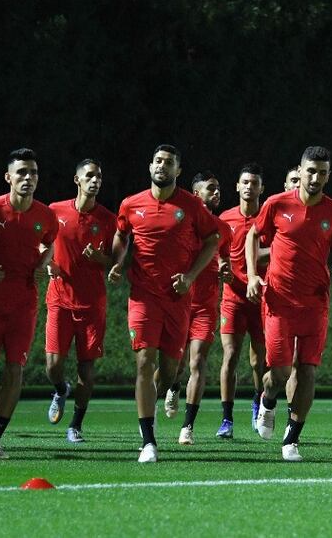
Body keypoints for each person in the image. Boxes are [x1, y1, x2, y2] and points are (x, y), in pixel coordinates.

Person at [108, 144, 221, 463]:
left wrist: (190, 276)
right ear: (150, 167)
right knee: (144, 361)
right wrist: (118, 262)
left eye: (168, 162)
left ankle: (161, 395)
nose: (162, 166)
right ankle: (148, 441)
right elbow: (121, 235)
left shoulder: (191, 205)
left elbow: (212, 241)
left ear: (178, 171)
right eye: (157, 161)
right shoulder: (131, 204)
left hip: (177, 300)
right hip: (142, 297)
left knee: (170, 371)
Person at [246, 146, 332, 462]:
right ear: (300, 170)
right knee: (278, 373)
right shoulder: (277, 204)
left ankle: (292, 439)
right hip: (279, 301)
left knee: (307, 371)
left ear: (328, 176)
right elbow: (253, 236)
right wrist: (252, 275)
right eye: (310, 171)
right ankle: (267, 399)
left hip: (315, 304)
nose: (315, 177)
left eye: (322, 172)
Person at [0, 148, 59, 459]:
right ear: (8, 177)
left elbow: (51, 240)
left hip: (23, 302)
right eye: (21, 172)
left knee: (15, 368)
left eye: (33, 172)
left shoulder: (45, 215)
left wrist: (44, 260)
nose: (28, 178)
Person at [44, 159, 116, 444]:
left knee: (87, 370)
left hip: (92, 304)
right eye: (89, 175)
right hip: (59, 299)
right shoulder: (54, 211)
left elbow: (117, 260)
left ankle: (75, 424)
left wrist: (101, 259)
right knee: (52, 364)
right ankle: (61, 389)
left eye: (98, 176)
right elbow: (41, 242)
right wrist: (48, 261)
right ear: (77, 180)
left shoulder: (108, 220)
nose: (95, 180)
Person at [170, 172, 232, 445]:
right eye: (210, 188)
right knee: (176, 365)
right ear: (195, 195)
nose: (216, 192)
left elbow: (225, 258)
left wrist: (225, 270)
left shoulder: (223, 228)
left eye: (218, 188)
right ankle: (173, 385)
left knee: (198, 361)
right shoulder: (181, 223)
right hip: (178, 303)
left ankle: (188, 426)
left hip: (206, 306)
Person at [216, 164, 269, 439]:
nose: (249, 187)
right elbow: (216, 253)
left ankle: (258, 402)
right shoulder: (225, 219)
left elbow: (280, 252)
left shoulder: (269, 219)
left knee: (258, 361)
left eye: (255, 183)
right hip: (233, 298)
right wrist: (220, 266)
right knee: (230, 356)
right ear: (237, 187)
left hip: (261, 299)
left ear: (262, 188)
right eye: (245, 182)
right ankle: (226, 419)